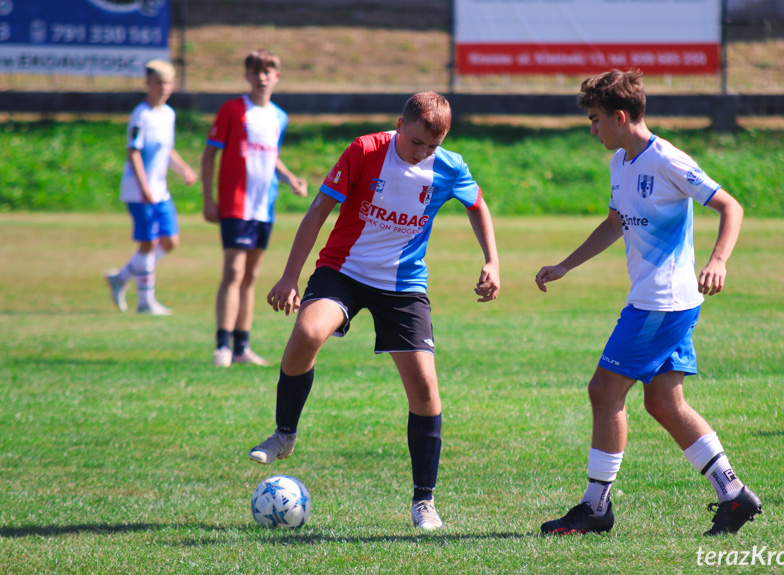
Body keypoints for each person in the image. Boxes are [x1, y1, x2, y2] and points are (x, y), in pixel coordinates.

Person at [247, 91, 501, 530]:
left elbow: (477, 206)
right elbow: (318, 212)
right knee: (307, 334)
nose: (423, 154)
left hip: (402, 285)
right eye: (417, 142)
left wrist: (492, 260)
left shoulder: (449, 166)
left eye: (432, 147)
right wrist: (290, 277)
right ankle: (284, 433)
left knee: (425, 389)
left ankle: (424, 502)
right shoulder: (364, 151)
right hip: (343, 271)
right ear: (400, 126)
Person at [534, 69, 761, 537]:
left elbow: (730, 206)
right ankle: (734, 494)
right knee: (662, 401)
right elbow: (615, 222)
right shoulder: (621, 162)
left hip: (663, 303)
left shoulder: (668, 160)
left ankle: (595, 507)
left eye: (596, 120)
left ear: (620, 116)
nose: (592, 129)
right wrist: (565, 265)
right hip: (656, 301)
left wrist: (719, 259)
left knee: (604, 391)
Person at [201, 49, 308, 368]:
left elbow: (271, 155)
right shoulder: (232, 110)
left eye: (269, 71)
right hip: (236, 203)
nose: (262, 77)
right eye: (256, 71)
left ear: (277, 76)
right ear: (247, 75)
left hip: (264, 207)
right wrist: (209, 199)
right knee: (233, 271)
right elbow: (209, 155)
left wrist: (290, 178)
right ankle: (221, 344)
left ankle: (241, 346)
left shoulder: (279, 116)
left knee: (251, 275)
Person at [106, 59, 197, 315]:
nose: (164, 87)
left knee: (170, 241)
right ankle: (146, 302)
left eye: (168, 82)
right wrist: (143, 186)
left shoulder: (168, 113)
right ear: (148, 83)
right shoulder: (141, 115)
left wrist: (184, 170)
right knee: (148, 244)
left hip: (160, 190)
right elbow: (133, 152)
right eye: (159, 82)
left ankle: (121, 277)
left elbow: (167, 150)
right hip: (139, 190)